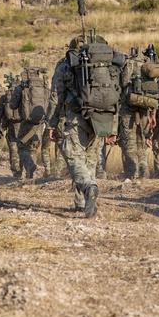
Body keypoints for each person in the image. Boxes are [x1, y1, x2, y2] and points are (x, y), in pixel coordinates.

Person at [46, 35, 118, 217]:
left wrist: (51, 124)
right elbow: (118, 96)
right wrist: (113, 128)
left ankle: (88, 188)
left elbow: (56, 96)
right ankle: (82, 203)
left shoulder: (65, 65)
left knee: (74, 157)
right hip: (102, 116)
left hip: (76, 117)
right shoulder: (108, 66)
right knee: (90, 160)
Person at [118, 46, 159, 180]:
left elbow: (123, 84)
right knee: (141, 143)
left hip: (128, 111)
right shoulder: (151, 65)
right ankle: (145, 174)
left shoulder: (128, 63)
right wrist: (153, 115)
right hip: (146, 110)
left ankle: (133, 176)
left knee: (129, 144)